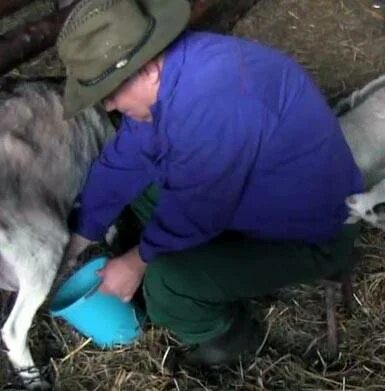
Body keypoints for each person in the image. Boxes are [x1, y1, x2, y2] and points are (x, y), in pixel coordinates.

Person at [57, 0, 363, 368]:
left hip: (314, 232)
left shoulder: (217, 99)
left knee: (167, 284)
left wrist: (136, 263)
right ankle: (202, 269)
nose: (108, 106)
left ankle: (228, 338)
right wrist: (80, 237)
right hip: (254, 198)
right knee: (139, 187)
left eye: (111, 91)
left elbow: (198, 208)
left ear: (148, 69)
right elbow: (126, 161)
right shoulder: (175, 75)